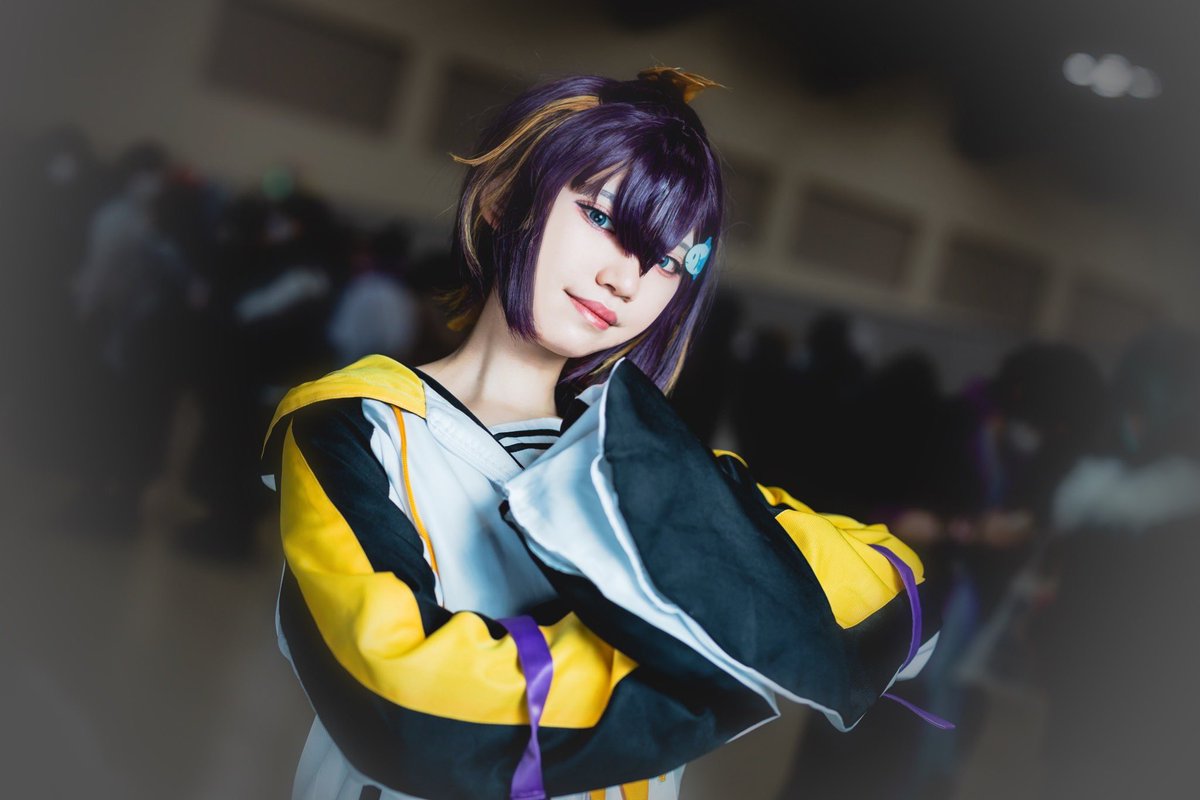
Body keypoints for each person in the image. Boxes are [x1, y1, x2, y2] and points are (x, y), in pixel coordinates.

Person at [262, 69, 941, 800]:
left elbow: (898, 599)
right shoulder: (351, 427)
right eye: (602, 217)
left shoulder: (645, 460)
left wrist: (714, 608)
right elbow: (405, 709)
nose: (628, 281)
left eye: (668, 261)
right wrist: (702, 654)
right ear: (503, 196)